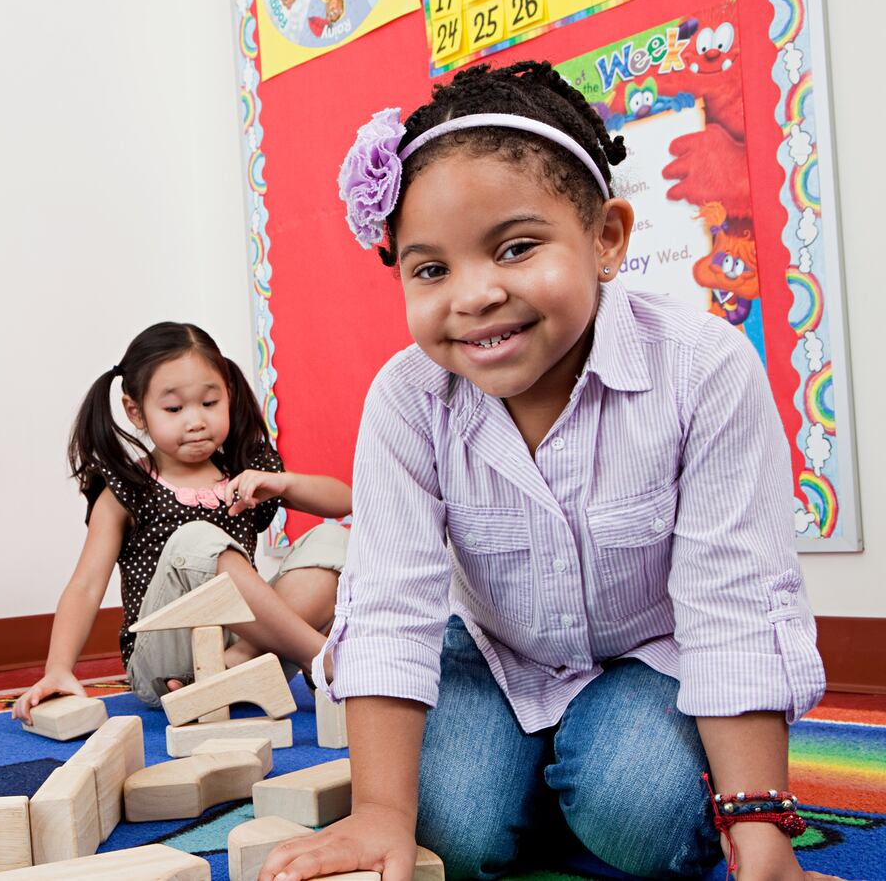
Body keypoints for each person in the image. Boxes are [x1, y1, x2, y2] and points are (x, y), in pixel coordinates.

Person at [260, 61, 826, 881]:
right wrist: (382, 812)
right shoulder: (407, 399)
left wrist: (762, 837)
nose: (475, 295)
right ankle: (535, 778)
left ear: (606, 238)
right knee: (451, 833)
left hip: (650, 653)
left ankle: (589, 775)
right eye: (430, 270)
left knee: (639, 819)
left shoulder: (706, 370)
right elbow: (389, 600)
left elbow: (733, 601)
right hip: (493, 649)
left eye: (516, 248)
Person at [11, 321, 352, 721]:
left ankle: (234, 665)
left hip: (251, 638)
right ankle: (321, 659)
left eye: (210, 403)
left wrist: (282, 484)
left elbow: (344, 503)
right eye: (174, 409)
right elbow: (85, 587)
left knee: (334, 541)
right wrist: (58, 668)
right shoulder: (129, 487)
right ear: (136, 411)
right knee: (198, 539)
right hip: (166, 663)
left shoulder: (245, 474)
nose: (196, 421)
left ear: (228, 394)